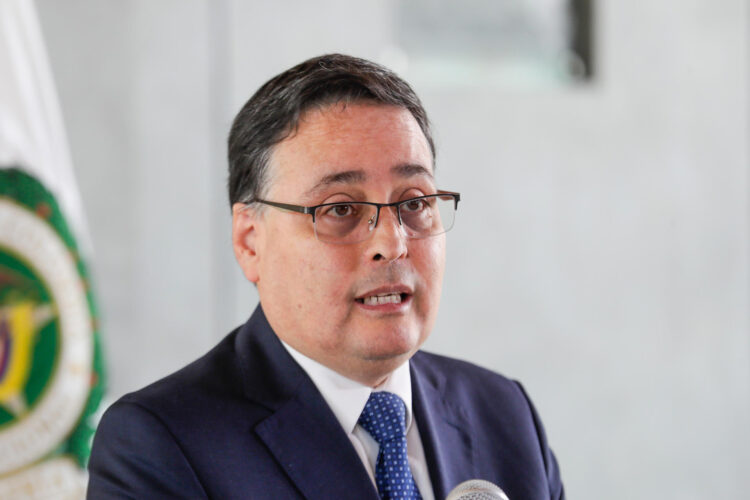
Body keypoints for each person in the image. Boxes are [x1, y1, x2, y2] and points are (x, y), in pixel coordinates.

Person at [87, 54, 564, 500]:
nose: (392, 243)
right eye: (341, 209)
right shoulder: (161, 444)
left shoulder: (504, 412)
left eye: (414, 203)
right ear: (251, 241)